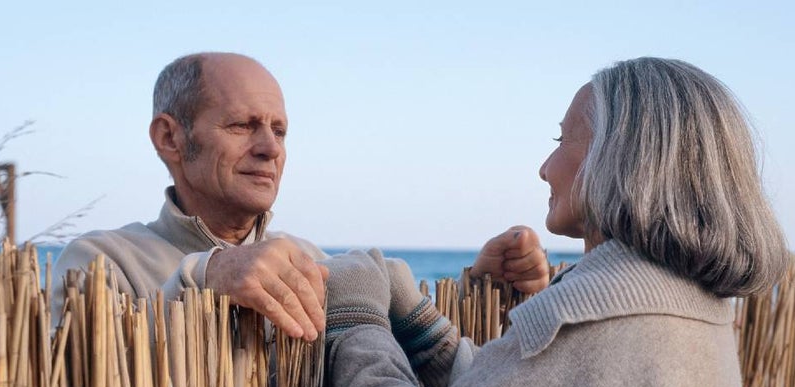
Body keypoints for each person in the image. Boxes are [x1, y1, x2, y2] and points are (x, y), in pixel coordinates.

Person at [321, 57, 789, 387]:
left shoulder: (599, 326)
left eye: (562, 141)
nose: (545, 168)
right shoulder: (687, 305)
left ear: (622, 157)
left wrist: (359, 315)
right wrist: (428, 335)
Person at [51, 52, 550, 339]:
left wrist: (483, 289)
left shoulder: (309, 260)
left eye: (280, 130)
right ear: (170, 137)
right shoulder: (102, 261)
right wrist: (203, 278)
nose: (270, 148)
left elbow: (404, 344)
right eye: (243, 125)